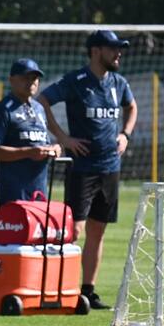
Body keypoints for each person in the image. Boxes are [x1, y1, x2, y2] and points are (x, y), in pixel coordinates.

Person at [37, 30, 138, 310]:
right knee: (75, 230)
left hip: (110, 167)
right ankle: (58, 287)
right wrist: (63, 138)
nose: (119, 53)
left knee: (98, 231)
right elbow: (42, 101)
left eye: (120, 48)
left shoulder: (118, 82)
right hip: (82, 168)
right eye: (113, 48)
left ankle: (88, 291)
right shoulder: (75, 81)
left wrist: (125, 135)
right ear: (96, 50)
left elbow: (132, 107)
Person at [0, 58, 62, 208]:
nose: (31, 82)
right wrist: (27, 152)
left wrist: (53, 149)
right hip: (13, 196)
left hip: (39, 194)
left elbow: (41, 144)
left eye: (35, 78)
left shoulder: (39, 109)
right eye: (25, 78)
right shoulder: (2, 110)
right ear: (12, 80)